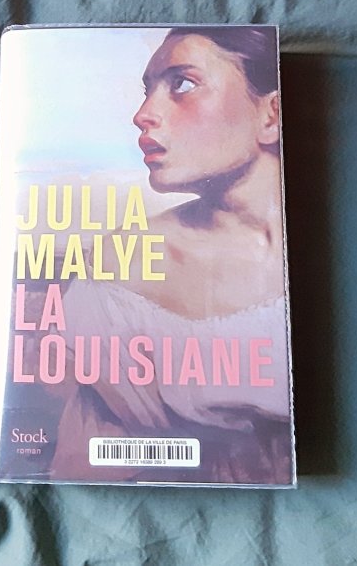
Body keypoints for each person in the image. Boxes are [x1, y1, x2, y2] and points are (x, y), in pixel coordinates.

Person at [48, 27, 293, 485]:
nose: (143, 115)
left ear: (271, 114)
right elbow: (90, 462)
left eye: (182, 84)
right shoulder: (117, 269)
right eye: (148, 91)